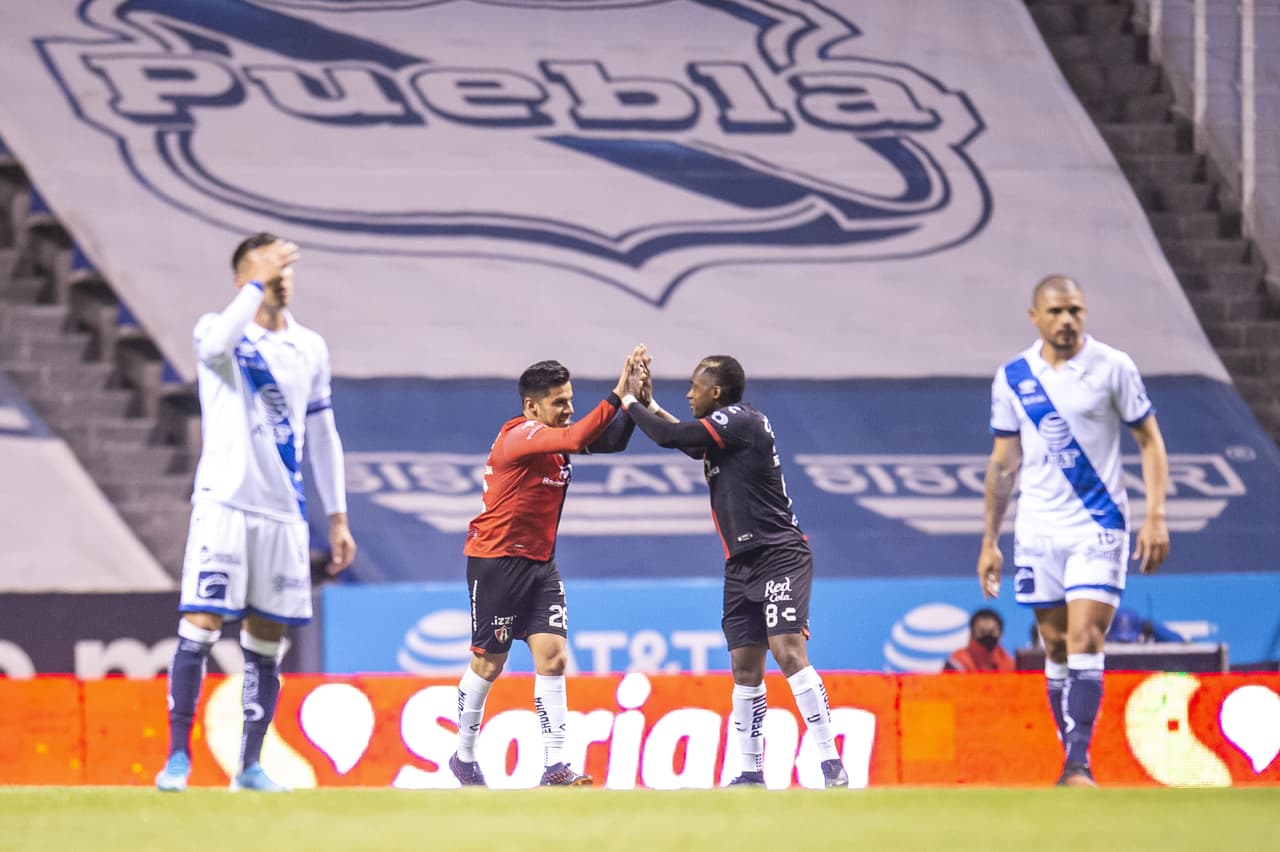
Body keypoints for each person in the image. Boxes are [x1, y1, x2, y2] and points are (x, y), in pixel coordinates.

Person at [155, 233, 356, 792]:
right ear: (246, 276)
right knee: (201, 626)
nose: (283, 279)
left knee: (266, 641)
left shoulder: (309, 348)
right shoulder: (217, 332)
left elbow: (323, 433)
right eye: (272, 270)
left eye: (286, 271)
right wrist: (254, 282)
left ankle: (248, 766)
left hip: (283, 515)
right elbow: (218, 342)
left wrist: (336, 516)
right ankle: (178, 758)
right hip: (224, 505)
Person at [619, 353, 849, 788]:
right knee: (745, 666)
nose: (688, 393)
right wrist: (648, 405)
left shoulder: (743, 420)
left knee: (786, 649)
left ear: (717, 392)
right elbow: (686, 441)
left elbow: (671, 437)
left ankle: (830, 761)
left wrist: (629, 401)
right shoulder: (723, 431)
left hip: (780, 553)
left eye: (694, 385)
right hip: (741, 565)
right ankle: (749, 771)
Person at [976, 274, 1169, 787]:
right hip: (1037, 529)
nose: (1067, 321)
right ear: (1034, 316)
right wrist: (990, 540)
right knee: (1056, 646)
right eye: (1057, 312)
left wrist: (1155, 515)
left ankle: (1079, 762)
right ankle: (1072, 759)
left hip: (1099, 523)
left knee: (1087, 636)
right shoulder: (1013, 377)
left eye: (1076, 311)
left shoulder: (1114, 367)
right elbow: (1002, 464)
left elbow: (1149, 441)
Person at [449, 348, 647, 788]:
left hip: (541, 566)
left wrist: (632, 405)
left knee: (553, 659)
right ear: (531, 406)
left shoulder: (556, 442)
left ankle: (555, 767)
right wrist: (618, 392)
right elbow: (578, 437)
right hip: (496, 563)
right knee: (489, 664)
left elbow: (609, 441)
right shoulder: (520, 436)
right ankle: (463, 757)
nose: (569, 409)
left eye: (571, 400)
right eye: (560, 402)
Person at [942, 608, 1015, 672]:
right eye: (982, 632)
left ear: (1001, 634)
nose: (987, 636)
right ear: (971, 634)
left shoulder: (1010, 665)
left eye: (991, 632)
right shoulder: (957, 663)